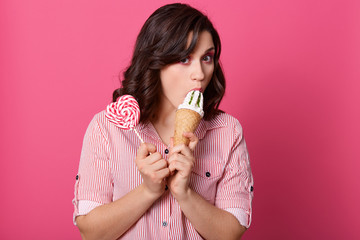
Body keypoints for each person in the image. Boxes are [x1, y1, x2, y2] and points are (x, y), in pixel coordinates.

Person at [72, 3, 254, 240]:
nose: (199, 73)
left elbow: (230, 234)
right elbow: (91, 232)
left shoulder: (227, 132)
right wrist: (148, 191)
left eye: (207, 57)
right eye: (185, 59)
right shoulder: (107, 129)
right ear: (155, 61)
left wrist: (184, 192)